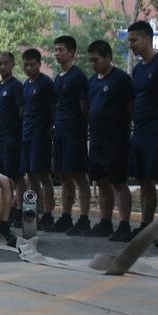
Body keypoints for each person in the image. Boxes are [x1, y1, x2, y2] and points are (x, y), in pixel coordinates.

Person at [86, 40, 134, 242]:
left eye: (96, 60)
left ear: (108, 58)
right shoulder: (92, 81)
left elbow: (130, 108)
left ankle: (124, 224)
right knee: (102, 181)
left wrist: (122, 129)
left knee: (119, 182)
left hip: (116, 140)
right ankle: (105, 221)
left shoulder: (121, 79)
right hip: (97, 139)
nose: (93, 64)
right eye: (90, 60)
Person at [47, 35, 92, 235]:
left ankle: (84, 218)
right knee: (65, 176)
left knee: (79, 175)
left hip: (75, 132)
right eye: (55, 50)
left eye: (61, 50)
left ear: (71, 52)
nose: (57, 53)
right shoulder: (58, 78)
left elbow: (84, 107)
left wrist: (80, 127)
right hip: (60, 132)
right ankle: (65, 216)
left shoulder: (78, 76)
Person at [128, 20, 158, 239]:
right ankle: (147, 225)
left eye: (134, 40)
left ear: (147, 39)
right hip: (139, 131)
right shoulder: (138, 69)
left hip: (157, 131)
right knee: (144, 179)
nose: (131, 44)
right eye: (129, 41)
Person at [20, 48, 56, 230]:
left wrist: (49, 128)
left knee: (44, 175)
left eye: (32, 65)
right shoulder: (26, 85)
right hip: (27, 135)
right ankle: (34, 212)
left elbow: (52, 109)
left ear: (39, 64)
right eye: (25, 65)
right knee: (31, 175)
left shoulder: (46, 84)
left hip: (41, 136)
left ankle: (48, 213)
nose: (28, 68)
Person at [0, 51, 26, 228]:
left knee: (17, 176)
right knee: (2, 177)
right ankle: (6, 211)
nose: (2, 66)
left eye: (6, 63)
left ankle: (20, 210)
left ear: (13, 64)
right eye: (0, 63)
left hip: (13, 137)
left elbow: (22, 112)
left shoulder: (16, 86)